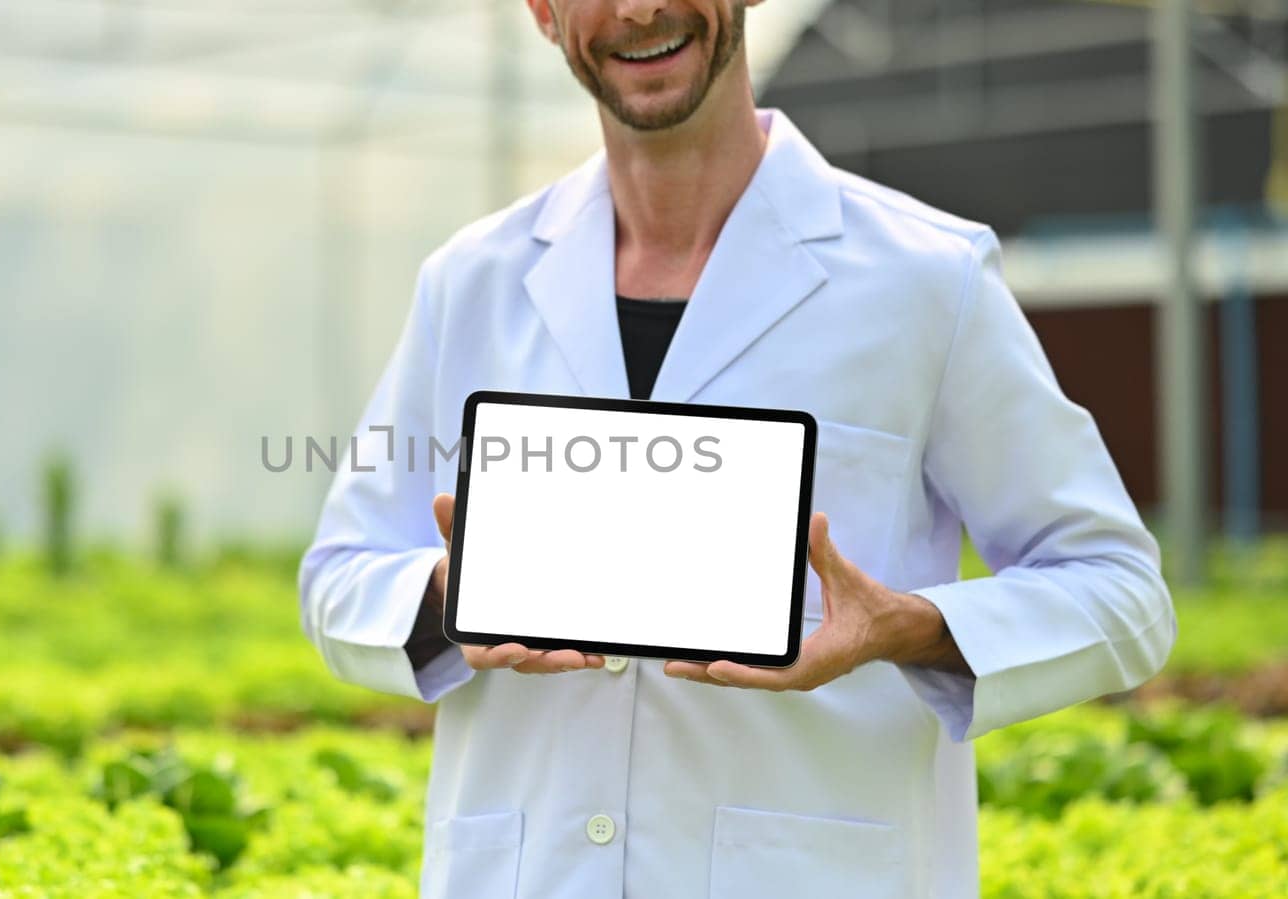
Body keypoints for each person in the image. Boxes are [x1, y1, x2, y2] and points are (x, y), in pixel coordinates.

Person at [298, 1, 1176, 896]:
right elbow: (339, 576)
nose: (638, 9)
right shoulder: (470, 281)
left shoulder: (927, 279)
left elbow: (1120, 592)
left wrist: (904, 627)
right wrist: (455, 595)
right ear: (543, 10)